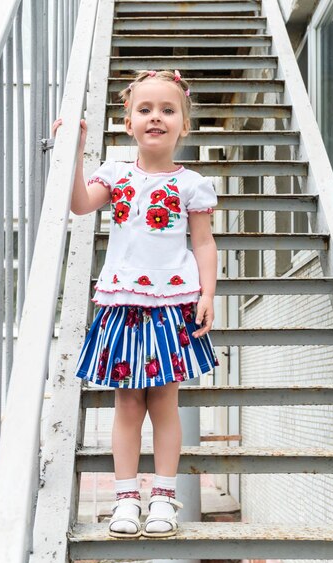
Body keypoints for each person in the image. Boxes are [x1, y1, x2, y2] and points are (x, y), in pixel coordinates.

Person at [52, 69, 219, 539]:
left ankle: (164, 497)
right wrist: (72, 153)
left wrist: (207, 293)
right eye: (144, 110)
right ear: (128, 123)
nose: (156, 118)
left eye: (168, 110)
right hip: (123, 301)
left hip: (174, 303)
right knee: (127, 404)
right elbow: (81, 204)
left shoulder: (192, 184)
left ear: (184, 124)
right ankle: (126, 497)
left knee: (165, 401)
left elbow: (204, 244)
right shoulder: (115, 174)